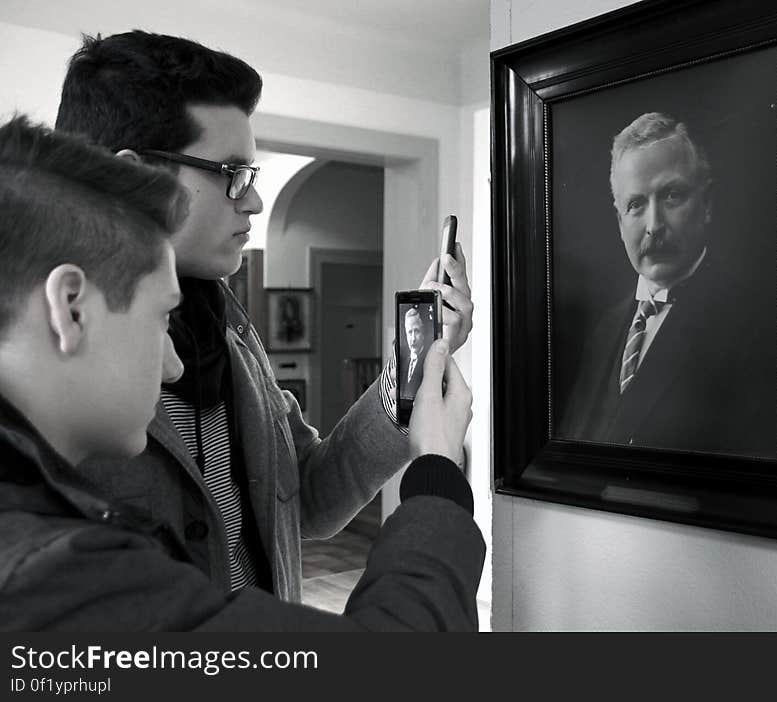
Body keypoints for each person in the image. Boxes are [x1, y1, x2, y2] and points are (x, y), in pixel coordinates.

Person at [0, 117, 483, 631]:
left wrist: (414, 366)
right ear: (70, 307)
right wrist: (436, 475)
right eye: (233, 172)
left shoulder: (233, 330)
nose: (173, 362)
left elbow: (309, 498)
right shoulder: (47, 571)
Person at [557, 112, 777, 458]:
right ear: (619, 222)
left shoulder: (753, 325)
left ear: (706, 204)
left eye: (671, 196)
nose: (653, 225)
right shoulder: (606, 329)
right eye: (636, 205)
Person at [401, 307, 428, 398]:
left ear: (423, 333)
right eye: (409, 332)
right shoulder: (402, 364)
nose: (413, 338)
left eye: (416, 331)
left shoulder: (429, 362)